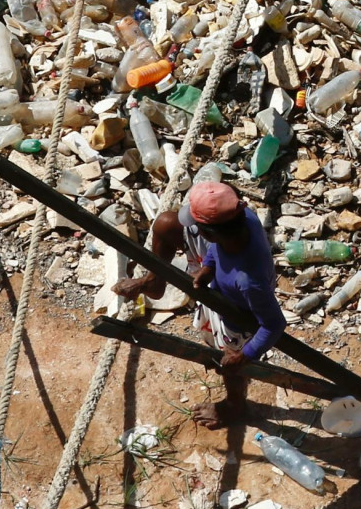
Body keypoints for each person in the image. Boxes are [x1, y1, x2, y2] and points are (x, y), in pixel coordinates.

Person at [112, 180, 287, 430]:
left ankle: (234, 405)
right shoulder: (242, 217)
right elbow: (216, 246)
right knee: (166, 222)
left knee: (230, 366)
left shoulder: (249, 281)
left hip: (236, 318)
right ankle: (154, 282)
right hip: (222, 287)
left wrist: (244, 355)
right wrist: (209, 266)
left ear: (207, 233)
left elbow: (274, 324)